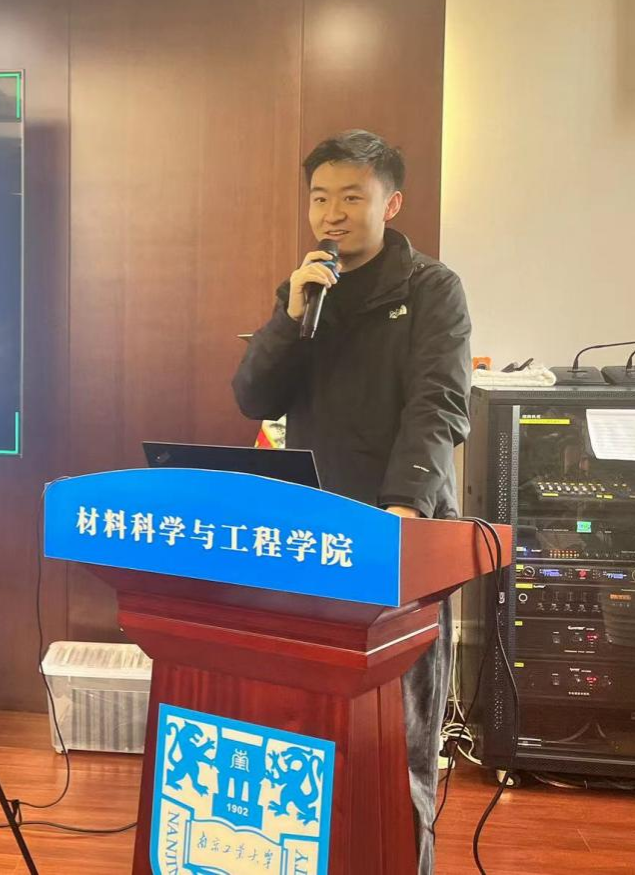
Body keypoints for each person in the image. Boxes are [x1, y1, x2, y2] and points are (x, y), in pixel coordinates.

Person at [232, 129, 471, 875]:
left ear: (390, 204)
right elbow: (253, 397)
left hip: (397, 539)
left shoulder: (432, 289)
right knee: (308, 728)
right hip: (315, 536)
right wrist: (288, 317)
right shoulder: (307, 291)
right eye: (319, 198)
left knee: (397, 742)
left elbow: (438, 404)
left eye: (350, 197)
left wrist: (403, 509)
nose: (331, 214)